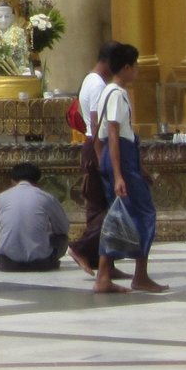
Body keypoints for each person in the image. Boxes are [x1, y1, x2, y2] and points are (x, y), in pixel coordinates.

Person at [96, 42, 166, 294]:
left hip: (119, 157)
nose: (136, 71)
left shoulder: (107, 91)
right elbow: (113, 133)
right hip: (120, 159)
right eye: (135, 66)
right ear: (126, 68)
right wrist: (118, 175)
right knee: (144, 213)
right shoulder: (116, 94)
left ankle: (105, 275)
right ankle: (140, 275)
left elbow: (101, 133)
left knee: (117, 215)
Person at [66, 42, 124, 278]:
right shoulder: (98, 85)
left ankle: (104, 264)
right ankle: (81, 248)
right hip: (96, 146)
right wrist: (103, 160)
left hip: (93, 145)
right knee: (108, 209)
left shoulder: (91, 80)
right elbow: (97, 123)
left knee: (96, 208)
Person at [0, 162, 70, 271]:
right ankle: (51, 260)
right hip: (42, 263)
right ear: (37, 181)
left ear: (12, 181)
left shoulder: (0, 198)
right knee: (63, 239)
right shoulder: (47, 198)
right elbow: (63, 230)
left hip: (8, 264)